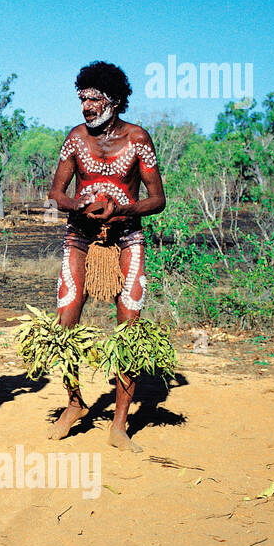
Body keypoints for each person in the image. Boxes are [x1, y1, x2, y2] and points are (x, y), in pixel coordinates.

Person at [45, 61, 166, 452]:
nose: (86, 107)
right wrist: (78, 204)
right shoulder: (76, 138)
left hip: (126, 238)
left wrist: (123, 208)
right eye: (82, 99)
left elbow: (157, 199)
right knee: (65, 321)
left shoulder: (137, 139)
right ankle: (75, 402)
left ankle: (119, 424)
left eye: (94, 99)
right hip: (80, 237)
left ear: (114, 100)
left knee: (128, 331)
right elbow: (57, 193)